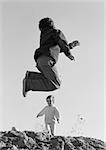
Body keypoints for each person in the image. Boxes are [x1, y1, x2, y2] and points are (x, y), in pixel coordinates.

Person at [23, 17, 80, 97]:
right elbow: (61, 41)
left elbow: (56, 48)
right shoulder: (55, 32)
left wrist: (71, 46)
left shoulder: (44, 37)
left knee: (48, 79)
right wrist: (68, 54)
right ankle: (29, 83)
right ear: (51, 24)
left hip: (40, 61)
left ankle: (31, 76)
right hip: (47, 61)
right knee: (56, 83)